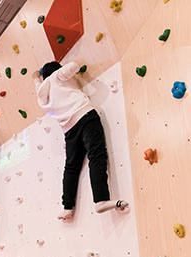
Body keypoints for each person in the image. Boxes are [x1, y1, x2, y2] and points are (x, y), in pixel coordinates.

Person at [32, 61, 128, 221]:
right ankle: (101, 199)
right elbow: (74, 66)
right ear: (57, 69)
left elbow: (37, 83)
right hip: (85, 116)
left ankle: (67, 207)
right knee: (96, 155)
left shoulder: (42, 92)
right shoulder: (57, 76)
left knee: (71, 168)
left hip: (69, 130)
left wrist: (36, 77)